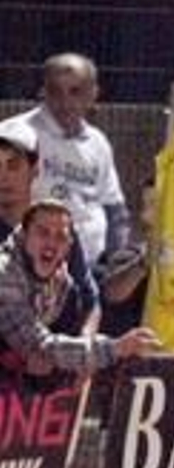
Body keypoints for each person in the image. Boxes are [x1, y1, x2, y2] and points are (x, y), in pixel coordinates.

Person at [0, 199, 157, 390]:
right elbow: (42, 346)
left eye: (60, 237)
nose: (51, 243)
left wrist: (86, 349)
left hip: (42, 340)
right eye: (43, 233)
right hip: (17, 344)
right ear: (25, 237)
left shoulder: (67, 258)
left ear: (69, 244)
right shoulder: (6, 273)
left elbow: (92, 301)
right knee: (40, 359)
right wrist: (116, 348)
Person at [5, 53, 128, 266]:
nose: (65, 101)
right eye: (55, 91)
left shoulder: (97, 142)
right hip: (28, 266)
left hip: (89, 266)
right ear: (43, 92)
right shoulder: (16, 135)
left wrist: (114, 260)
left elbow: (113, 208)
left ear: (93, 94)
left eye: (75, 92)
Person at [0, 116, 99, 341]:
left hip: (59, 362)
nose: (2, 175)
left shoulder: (59, 230)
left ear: (35, 168)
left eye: (13, 165)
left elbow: (90, 302)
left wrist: (85, 349)